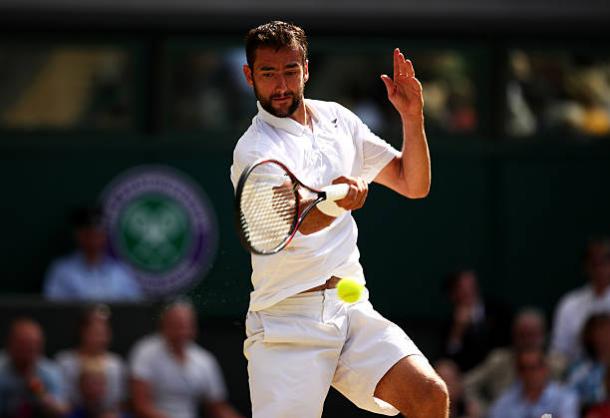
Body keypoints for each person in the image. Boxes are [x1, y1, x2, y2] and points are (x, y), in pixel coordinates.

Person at [230, 21, 447, 418]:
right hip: (285, 321)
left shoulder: (338, 120)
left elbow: (413, 183)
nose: (281, 85)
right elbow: (292, 225)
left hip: (349, 304)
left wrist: (412, 117)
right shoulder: (255, 150)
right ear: (249, 76)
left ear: (306, 70)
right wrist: (335, 204)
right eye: (268, 73)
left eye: (290, 71)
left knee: (430, 396)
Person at [129, 300, 244, 418]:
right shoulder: (145, 351)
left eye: (186, 326)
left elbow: (218, 407)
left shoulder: (204, 360)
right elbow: (140, 405)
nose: (182, 332)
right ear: (164, 325)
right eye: (176, 325)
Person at [463, 307, 567, 415]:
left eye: (532, 335)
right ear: (514, 335)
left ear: (543, 336)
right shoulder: (498, 361)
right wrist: (483, 408)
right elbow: (467, 384)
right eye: (522, 335)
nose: (527, 341)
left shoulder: (557, 364)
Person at [44, 205, 143, 301]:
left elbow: (134, 307)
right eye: (88, 234)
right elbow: (54, 309)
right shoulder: (62, 270)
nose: (93, 240)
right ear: (78, 235)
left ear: (105, 236)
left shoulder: (121, 271)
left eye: (98, 234)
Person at [56, 305, 127, 412]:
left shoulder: (115, 364)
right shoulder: (65, 362)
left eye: (103, 333)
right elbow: (61, 401)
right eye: (95, 332)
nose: (100, 338)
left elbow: (119, 403)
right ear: (82, 332)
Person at [551, 238, 610, 362]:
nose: (599, 268)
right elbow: (558, 351)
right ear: (586, 267)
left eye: (605, 261)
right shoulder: (569, 303)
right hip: (577, 372)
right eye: (594, 263)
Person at [441, 269, 512, 372]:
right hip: (467, 376)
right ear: (453, 294)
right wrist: (457, 331)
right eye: (462, 289)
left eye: (471, 287)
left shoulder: (498, 310)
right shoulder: (449, 322)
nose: (468, 292)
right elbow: (447, 357)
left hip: (496, 370)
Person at [0, 318, 68, 417]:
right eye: (23, 343)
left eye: (34, 344)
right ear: (10, 343)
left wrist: (40, 393)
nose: (28, 349)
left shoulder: (50, 372)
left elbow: (62, 410)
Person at [488, 348, 579, 418]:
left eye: (534, 368)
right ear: (518, 373)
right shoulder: (506, 401)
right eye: (524, 369)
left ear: (545, 369)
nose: (529, 374)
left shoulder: (564, 397)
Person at [567, 312, 610, 410]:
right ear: (589, 337)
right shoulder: (579, 370)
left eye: (607, 332)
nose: (604, 338)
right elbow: (571, 402)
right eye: (599, 333)